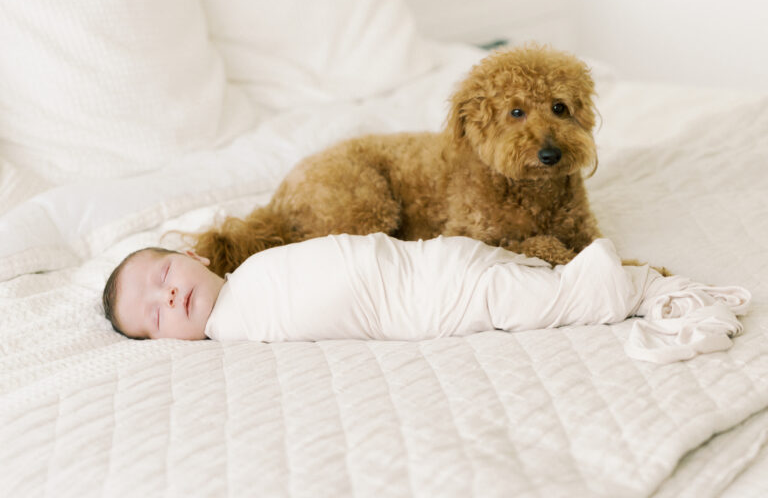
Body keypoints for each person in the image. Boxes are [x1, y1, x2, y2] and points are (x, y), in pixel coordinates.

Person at [102, 234, 750, 364]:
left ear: (191, 255)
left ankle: (642, 286)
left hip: (422, 267)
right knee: (522, 296)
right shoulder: (232, 337)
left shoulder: (251, 274)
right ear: (161, 344)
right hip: (426, 308)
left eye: (162, 275)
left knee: (536, 295)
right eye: (152, 316)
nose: (169, 297)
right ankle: (628, 282)